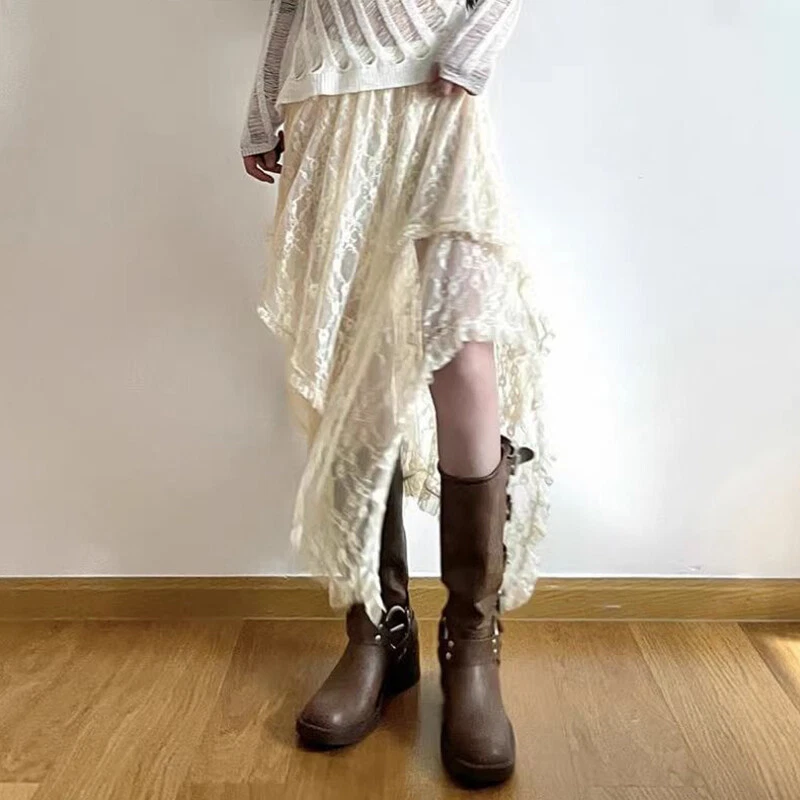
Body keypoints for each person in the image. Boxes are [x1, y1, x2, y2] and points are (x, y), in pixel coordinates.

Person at [241, 0, 550, 785]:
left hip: (437, 88)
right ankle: (379, 633)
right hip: (327, 100)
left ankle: (471, 647)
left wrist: (477, 43)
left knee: (464, 355)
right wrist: (264, 101)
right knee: (355, 366)